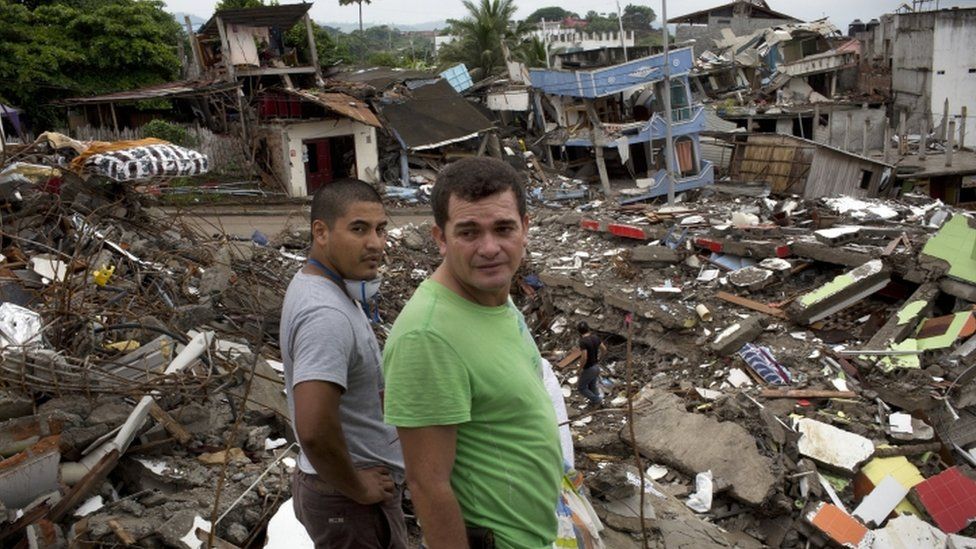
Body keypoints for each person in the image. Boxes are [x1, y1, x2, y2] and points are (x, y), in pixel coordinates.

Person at [383, 157, 563, 549]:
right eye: (468, 232)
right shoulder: (427, 336)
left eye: (503, 228)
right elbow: (428, 485)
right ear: (440, 238)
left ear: (525, 228)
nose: (489, 248)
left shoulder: (494, 297)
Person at [279, 178, 407, 548]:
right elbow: (315, 428)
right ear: (321, 232)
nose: (376, 243)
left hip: (344, 495)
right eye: (358, 229)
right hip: (349, 504)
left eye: (381, 229)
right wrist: (358, 487)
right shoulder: (325, 314)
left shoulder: (325, 286)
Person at [576, 321, 607, 406]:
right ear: (588, 329)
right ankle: (597, 403)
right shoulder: (595, 338)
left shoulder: (583, 342)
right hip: (596, 366)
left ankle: (597, 400)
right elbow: (604, 349)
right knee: (592, 386)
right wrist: (600, 359)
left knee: (581, 388)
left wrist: (579, 369)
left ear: (579, 331)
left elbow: (584, 357)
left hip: (589, 368)